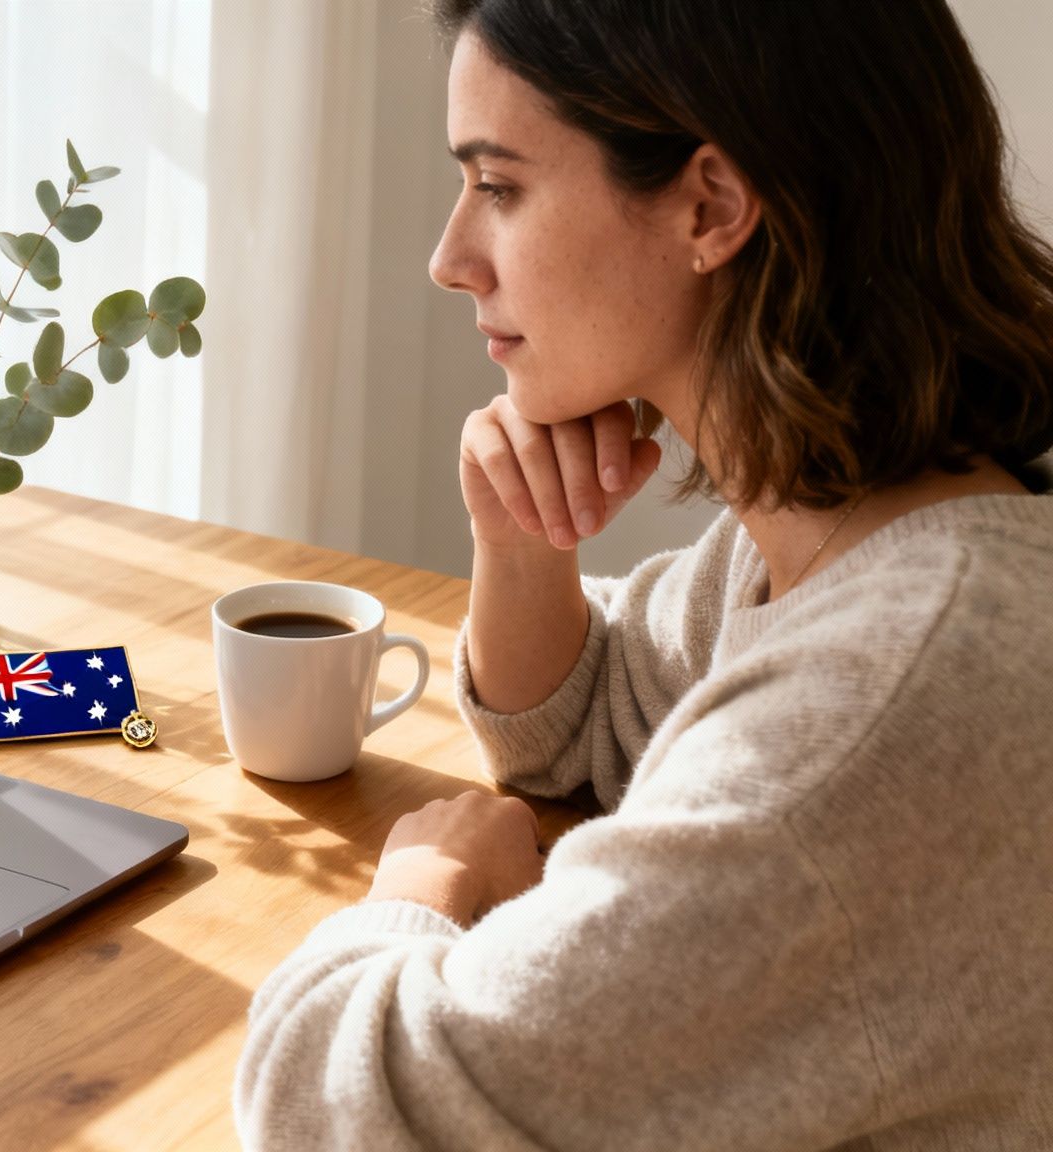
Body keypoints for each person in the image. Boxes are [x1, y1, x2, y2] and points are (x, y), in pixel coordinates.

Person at [234, 1, 1053, 1148]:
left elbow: (329, 1108)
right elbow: (586, 725)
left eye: (497, 186)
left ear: (708, 207)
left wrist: (421, 882)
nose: (448, 259)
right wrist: (523, 544)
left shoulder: (864, 722)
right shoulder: (848, 531)